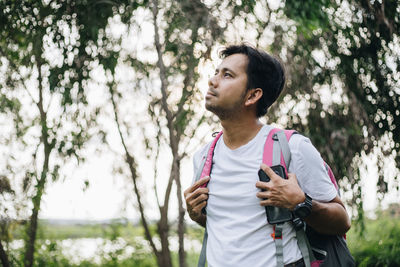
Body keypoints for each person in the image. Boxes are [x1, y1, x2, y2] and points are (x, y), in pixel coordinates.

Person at [184, 44, 351, 267]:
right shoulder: (204, 157)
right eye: (216, 72)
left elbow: (342, 221)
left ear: (252, 95)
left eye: (227, 75)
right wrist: (198, 216)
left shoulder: (292, 147)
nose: (213, 81)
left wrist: (301, 203)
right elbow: (236, 227)